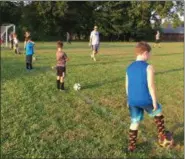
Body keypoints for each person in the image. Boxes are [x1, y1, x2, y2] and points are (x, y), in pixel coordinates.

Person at [125, 41, 173, 152]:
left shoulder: (129, 67)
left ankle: (131, 146)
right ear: (145, 53)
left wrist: (128, 99)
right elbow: (151, 86)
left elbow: (127, 85)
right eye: (149, 53)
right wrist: (154, 102)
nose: (150, 56)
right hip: (145, 99)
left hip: (132, 100)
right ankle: (162, 137)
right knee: (159, 112)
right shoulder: (148, 67)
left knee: (134, 122)